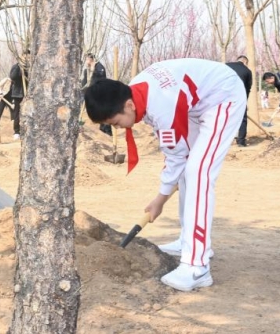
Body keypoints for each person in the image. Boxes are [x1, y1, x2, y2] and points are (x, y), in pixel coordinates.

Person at [84, 59, 246, 292]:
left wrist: (160, 199)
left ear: (128, 105)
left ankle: (197, 266)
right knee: (187, 171)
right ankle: (187, 241)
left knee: (198, 172)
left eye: (116, 123)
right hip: (194, 103)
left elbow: (176, 157)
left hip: (222, 96)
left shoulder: (162, 105)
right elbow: (176, 156)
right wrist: (163, 194)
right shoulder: (138, 92)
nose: (118, 128)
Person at [81, 53, 112, 136]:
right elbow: (84, 82)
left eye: (87, 59)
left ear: (91, 59)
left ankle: (107, 131)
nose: (86, 61)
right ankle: (102, 129)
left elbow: (99, 80)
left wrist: (93, 70)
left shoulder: (99, 68)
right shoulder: (86, 70)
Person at [225, 55, 253, 147]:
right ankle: (241, 141)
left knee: (224, 118)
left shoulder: (225, 65)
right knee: (242, 119)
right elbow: (248, 88)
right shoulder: (247, 71)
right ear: (245, 62)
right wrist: (245, 101)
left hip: (223, 97)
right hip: (239, 97)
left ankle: (225, 140)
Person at [8, 52, 29, 140]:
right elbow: (12, 76)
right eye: (25, 56)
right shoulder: (16, 67)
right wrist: (19, 67)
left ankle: (26, 130)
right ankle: (16, 131)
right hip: (17, 94)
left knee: (27, 113)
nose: (26, 58)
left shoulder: (30, 67)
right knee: (17, 113)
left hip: (28, 94)